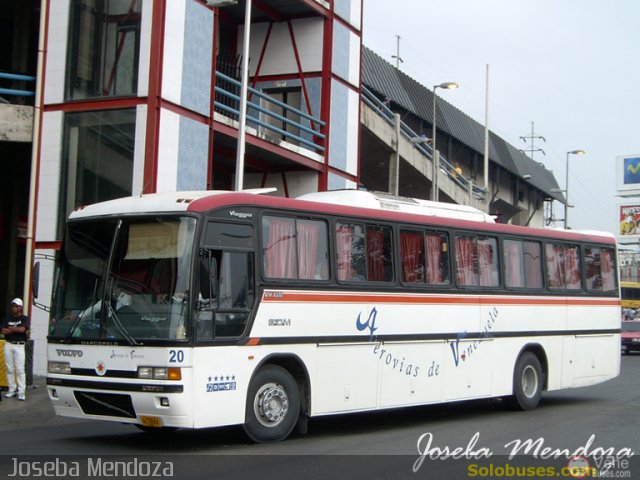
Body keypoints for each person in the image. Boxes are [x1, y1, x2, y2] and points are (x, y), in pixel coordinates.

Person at [1, 298, 30, 401]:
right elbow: (3, 330)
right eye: (13, 306)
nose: (14, 308)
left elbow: (23, 329)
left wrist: (11, 328)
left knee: (20, 370)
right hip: (8, 344)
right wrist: (16, 329)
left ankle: (21, 391)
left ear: (21, 307)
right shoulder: (7, 318)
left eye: (16, 306)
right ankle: (12, 389)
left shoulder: (25, 318)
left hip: (19, 345)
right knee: (9, 369)